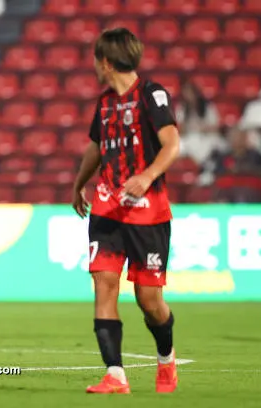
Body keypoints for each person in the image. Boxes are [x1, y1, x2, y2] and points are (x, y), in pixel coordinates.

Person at [72, 28, 180, 394]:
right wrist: (78, 184)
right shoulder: (104, 103)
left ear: (104, 61)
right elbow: (96, 147)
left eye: (94, 59)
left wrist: (148, 175)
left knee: (149, 301)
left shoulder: (151, 94)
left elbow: (172, 142)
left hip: (148, 214)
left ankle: (165, 356)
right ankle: (115, 374)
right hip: (106, 208)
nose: (93, 66)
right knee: (104, 284)